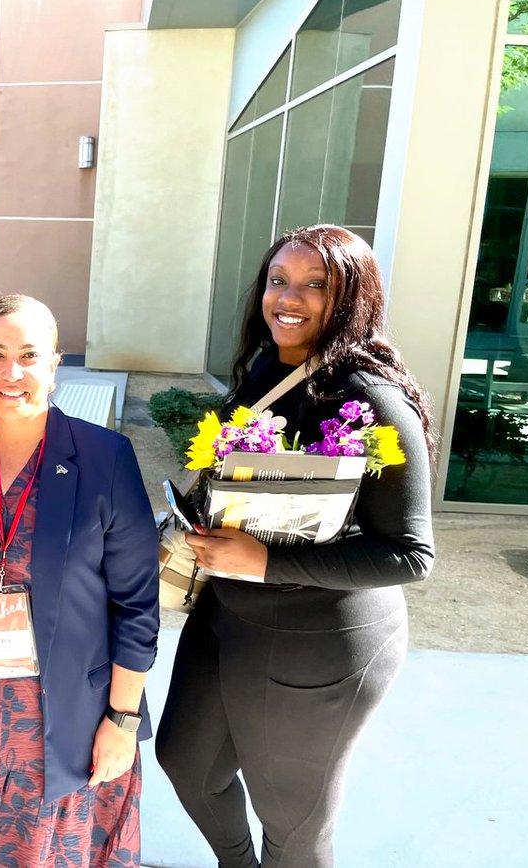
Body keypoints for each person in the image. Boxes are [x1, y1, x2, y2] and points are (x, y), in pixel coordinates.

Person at [155, 225, 436, 868]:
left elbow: (411, 554)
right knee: (189, 765)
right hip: (228, 616)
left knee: (292, 824)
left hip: (320, 643)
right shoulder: (267, 369)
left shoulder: (372, 401)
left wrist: (264, 561)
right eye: (280, 280)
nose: (291, 297)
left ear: (352, 297)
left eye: (316, 285)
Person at [0, 294, 160, 868]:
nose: (11, 373)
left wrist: (123, 718)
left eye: (29, 356)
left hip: (64, 706)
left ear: (54, 364)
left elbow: (137, 604)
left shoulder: (104, 457)